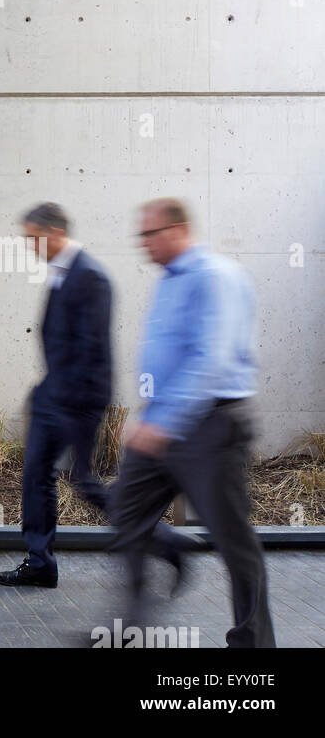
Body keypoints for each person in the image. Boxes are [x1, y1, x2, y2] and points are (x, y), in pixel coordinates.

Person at [0, 202, 184, 589]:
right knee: (37, 473)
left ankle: (163, 542)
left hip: (78, 401)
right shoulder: (63, 274)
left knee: (83, 481)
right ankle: (40, 561)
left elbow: (94, 349)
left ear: (56, 233)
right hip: (55, 397)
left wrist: (62, 400)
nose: (31, 246)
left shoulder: (90, 277)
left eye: (34, 238)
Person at [109, 199, 275, 647]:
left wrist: (164, 422)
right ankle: (132, 628)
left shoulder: (213, 277)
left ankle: (254, 643)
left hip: (211, 425)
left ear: (178, 230)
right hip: (164, 421)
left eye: (150, 235)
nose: (143, 245)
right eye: (140, 236)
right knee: (125, 508)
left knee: (232, 538)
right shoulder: (168, 281)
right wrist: (153, 416)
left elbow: (212, 358)